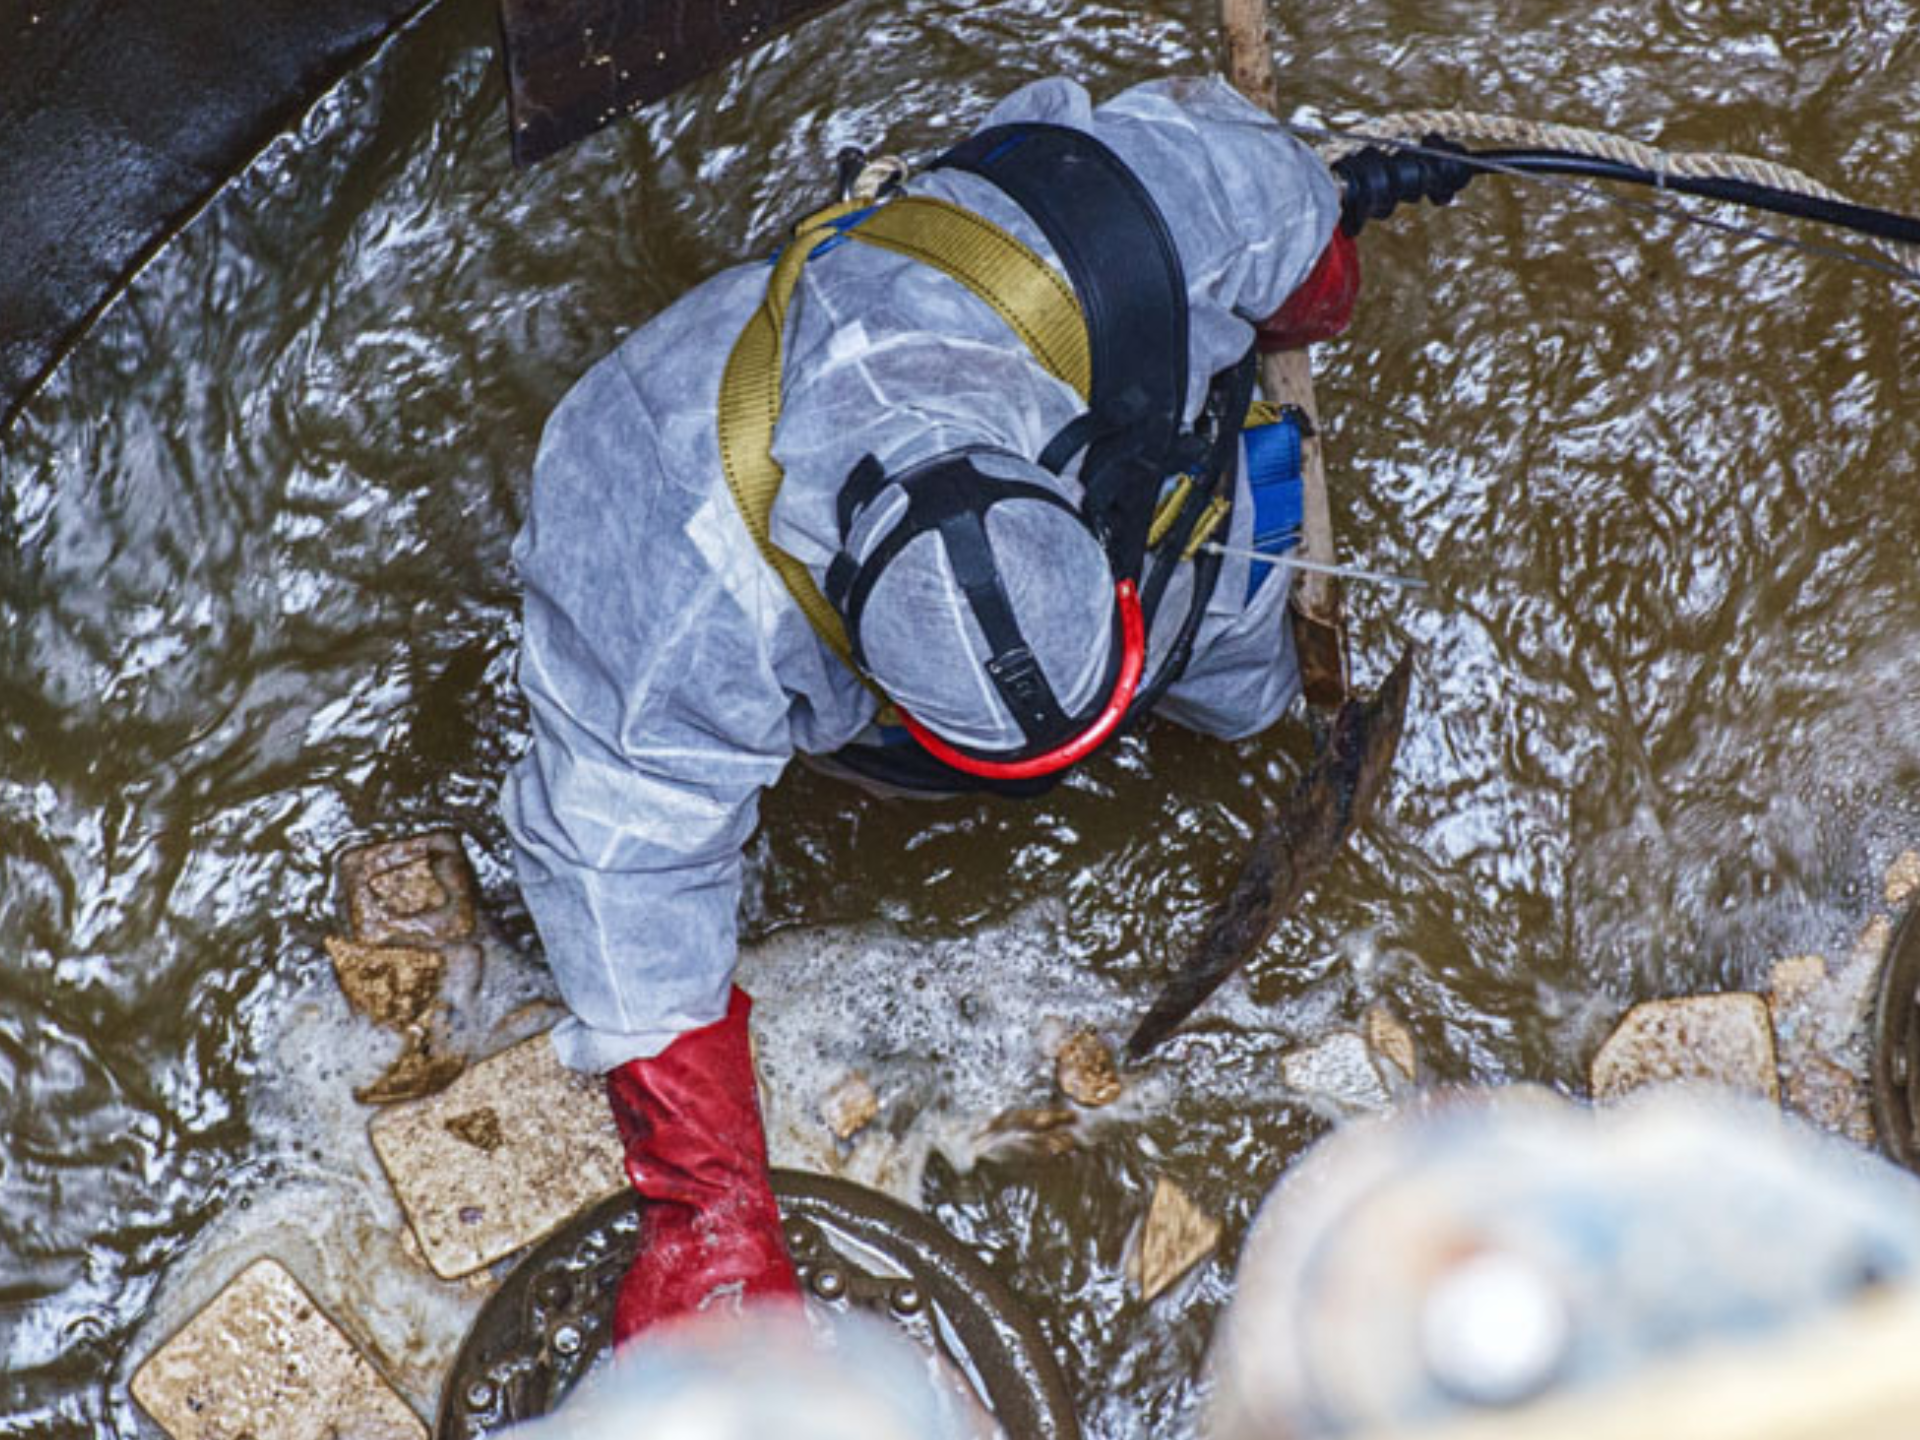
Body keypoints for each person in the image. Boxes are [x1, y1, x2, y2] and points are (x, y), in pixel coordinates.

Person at [501, 72, 1359, 1342]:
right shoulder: (677, 572)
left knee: (1253, 698)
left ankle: (1203, 686)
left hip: (1174, 548)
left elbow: (1292, 222)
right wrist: (707, 1209)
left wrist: (1317, 289)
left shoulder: (1118, 229)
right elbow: (621, 863)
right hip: (871, 691)